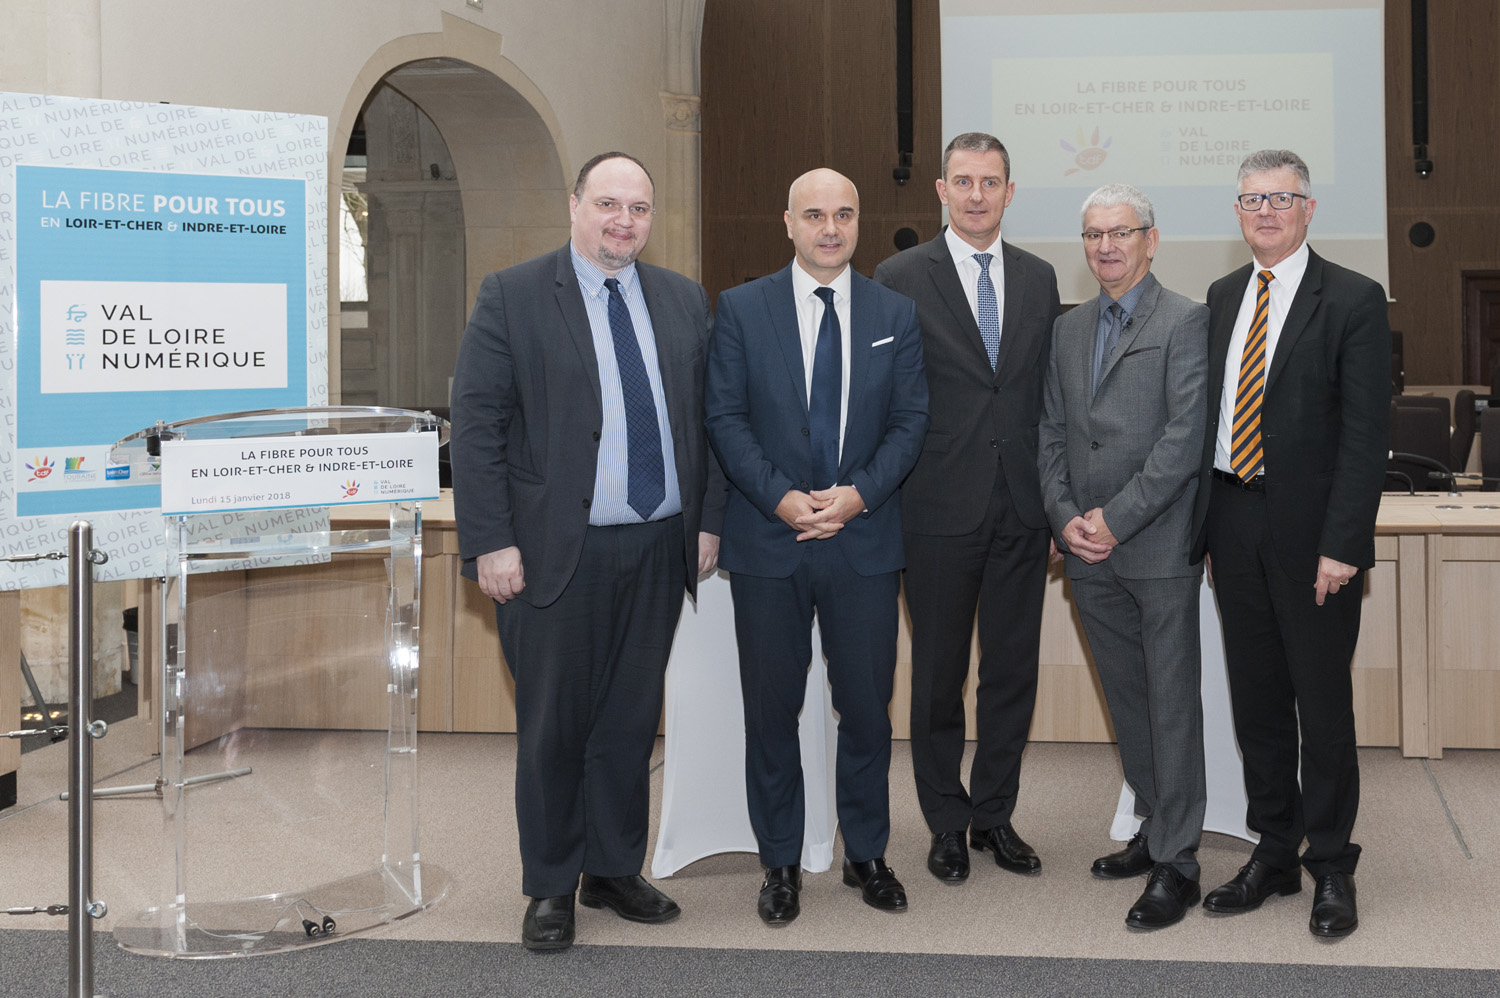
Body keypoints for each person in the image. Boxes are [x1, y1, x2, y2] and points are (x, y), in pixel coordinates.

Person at [449, 152, 725, 952]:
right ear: (574, 205)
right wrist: (491, 540)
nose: (623, 222)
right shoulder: (514, 295)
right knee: (554, 727)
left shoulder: (680, 299)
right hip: (550, 554)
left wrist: (706, 520)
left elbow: (703, 423)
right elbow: (477, 428)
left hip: (656, 546)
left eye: (638, 208)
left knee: (630, 721)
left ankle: (612, 868)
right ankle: (550, 886)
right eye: (608, 204)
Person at [705, 168, 928, 926]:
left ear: (859, 222)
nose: (830, 228)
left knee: (865, 709)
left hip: (863, 541)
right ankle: (780, 863)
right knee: (772, 712)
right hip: (770, 542)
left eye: (843, 215)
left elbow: (910, 423)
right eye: (814, 215)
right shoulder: (740, 309)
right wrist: (781, 496)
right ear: (789, 223)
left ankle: (866, 852)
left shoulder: (896, 312)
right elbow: (725, 418)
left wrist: (858, 494)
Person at [1191, 149, 1390, 938]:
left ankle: (1332, 863)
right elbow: (1210, 419)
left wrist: (1343, 544)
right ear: (1237, 212)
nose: (1265, 211)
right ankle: (1274, 850)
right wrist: (1207, 530)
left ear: (1308, 208)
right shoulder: (1221, 295)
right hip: (1233, 523)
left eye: (1280, 197)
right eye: (1250, 199)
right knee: (1258, 701)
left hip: (1315, 540)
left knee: (1321, 702)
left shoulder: (1353, 298)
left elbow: (1366, 436)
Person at [873, 133, 1061, 883]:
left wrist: (1054, 502)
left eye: (991, 182)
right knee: (939, 678)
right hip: (934, 508)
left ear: (1010, 192)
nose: (977, 194)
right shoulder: (897, 275)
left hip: (1022, 508)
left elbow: (1048, 399)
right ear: (942, 192)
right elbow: (883, 395)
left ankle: (995, 817)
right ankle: (946, 822)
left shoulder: (1041, 278)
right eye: (963, 181)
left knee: (1011, 674)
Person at [1038, 183, 1208, 929]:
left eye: (1121, 231)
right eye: (1093, 234)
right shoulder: (1068, 330)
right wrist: (1067, 516)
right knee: (1129, 702)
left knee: (1171, 705)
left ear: (1151, 238)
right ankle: (1152, 827)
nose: (1106, 245)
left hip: (1157, 545)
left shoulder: (1187, 321)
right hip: (1086, 552)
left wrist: (1117, 519)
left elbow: (1184, 443)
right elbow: (1051, 433)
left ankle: (1178, 861)